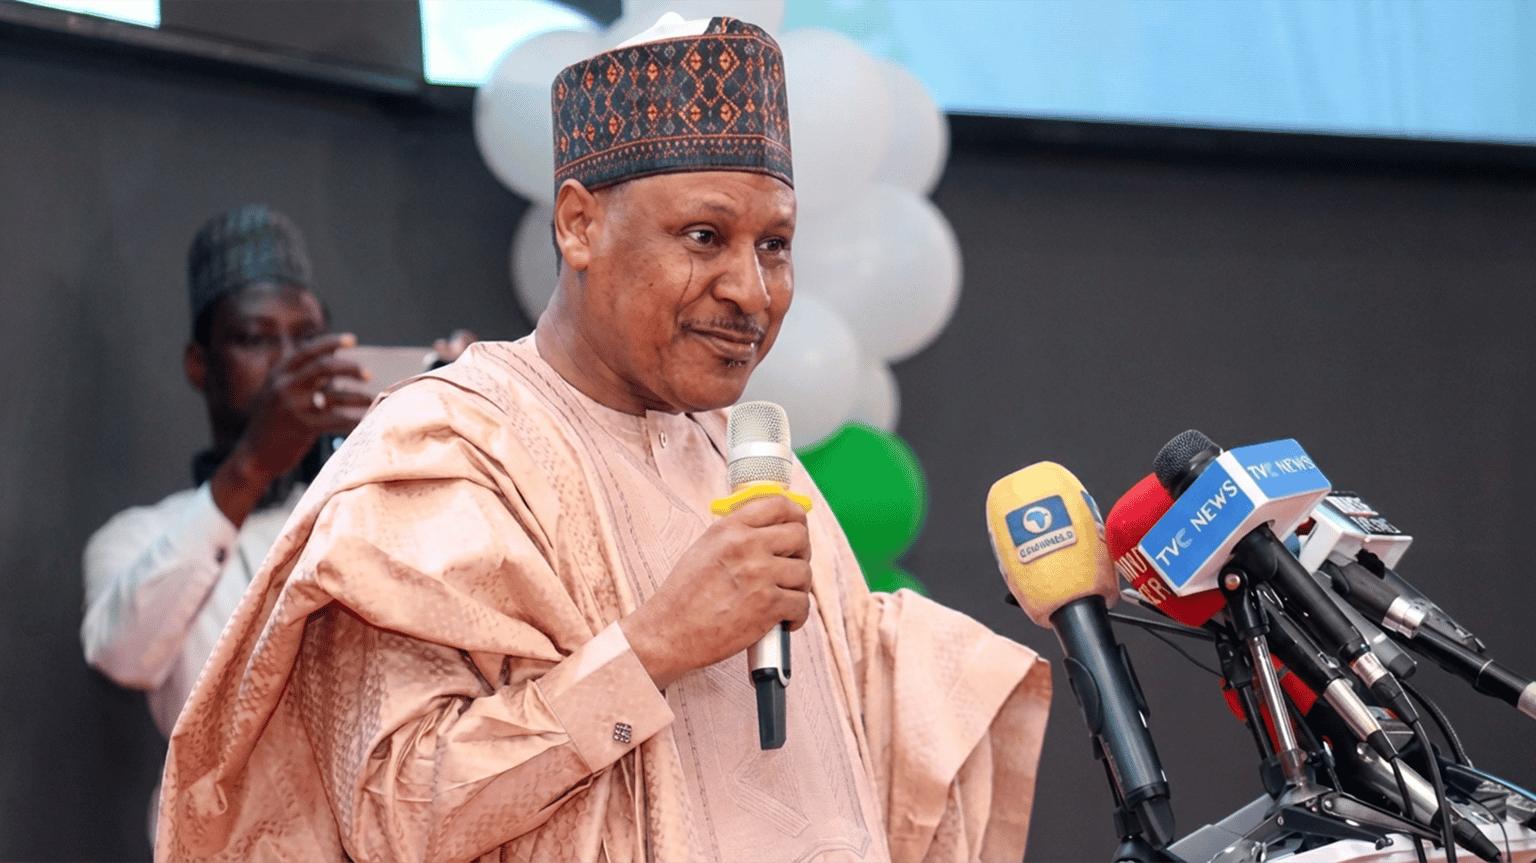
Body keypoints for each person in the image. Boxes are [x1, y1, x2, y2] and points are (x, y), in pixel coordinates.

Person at [156, 17, 1052, 863]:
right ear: (579, 224)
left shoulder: (749, 460)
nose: (752, 290)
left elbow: (865, 721)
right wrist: (652, 648)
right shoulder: (445, 451)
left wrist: (1070, 611)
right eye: (704, 235)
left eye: (775, 244)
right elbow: (400, 814)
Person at [81, 204, 473, 836]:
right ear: (199, 364)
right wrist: (254, 464)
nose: (288, 362)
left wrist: (471, 433)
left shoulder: (368, 500)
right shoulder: (137, 537)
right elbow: (125, 655)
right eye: (256, 338)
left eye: (306, 337)